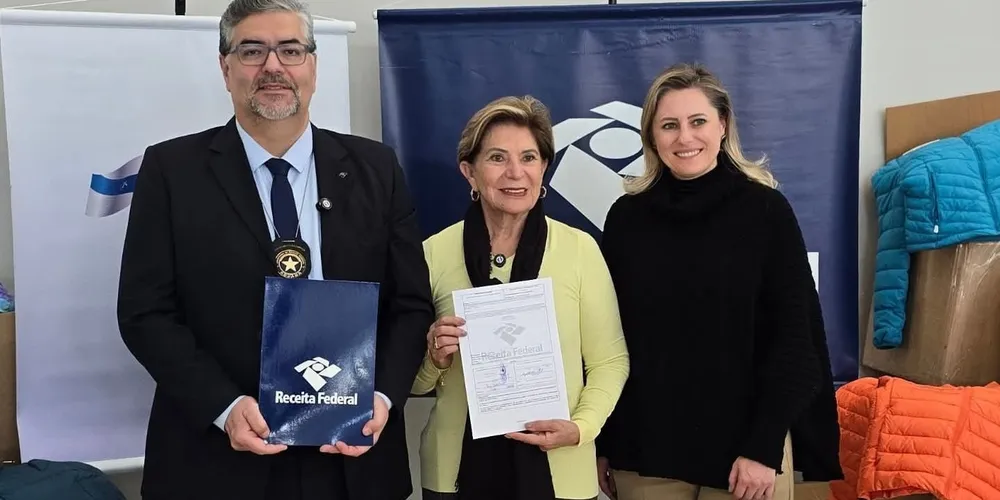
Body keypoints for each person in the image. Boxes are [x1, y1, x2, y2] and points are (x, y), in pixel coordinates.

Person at [115, 1, 434, 499]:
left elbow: (410, 305)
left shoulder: (376, 168)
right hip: (219, 459)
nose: (272, 67)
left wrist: (385, 397)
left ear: (313, 65)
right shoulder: (171, 171)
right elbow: (145, 313)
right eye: (251, 51)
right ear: (225, 67)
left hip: (351, 460)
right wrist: (223, 407)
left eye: (289, 50)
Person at [595, 63, 842, 500]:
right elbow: (607, 341)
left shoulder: (766, 212)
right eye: (669, 125)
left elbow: (795, 341)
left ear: (723, 125)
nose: (684, 138)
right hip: (645, 451)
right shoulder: (625, 219)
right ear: (652, 135)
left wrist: (765, 447)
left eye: (698, 122)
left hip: (745, 454)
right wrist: (602, 442)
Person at [411, 95, 630, 500]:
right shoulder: (432, 253)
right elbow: (414, 380)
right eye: (497, 158)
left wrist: (581, 427)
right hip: (455, 475)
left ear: (544, 168)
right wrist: (434, 358)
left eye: (529, 157)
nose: (515, 172)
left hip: (560, 471)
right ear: (469, 172)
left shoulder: (580, 250)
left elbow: (610, 361)